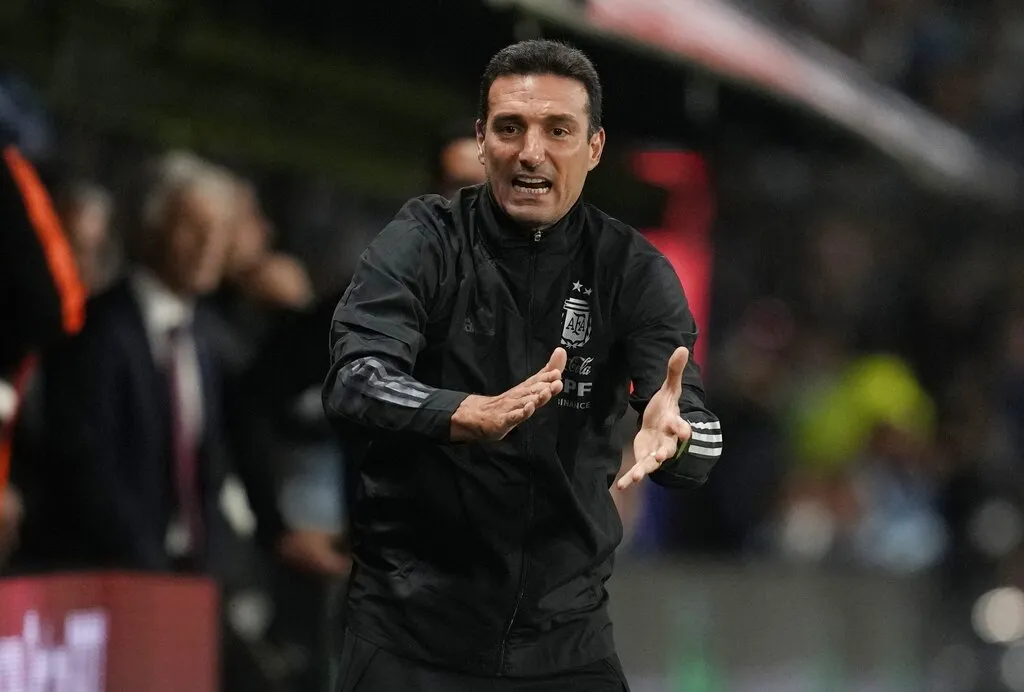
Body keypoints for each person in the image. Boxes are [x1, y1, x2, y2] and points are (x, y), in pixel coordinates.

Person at [323, 40, 723, 690]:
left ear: (593, 148)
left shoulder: (632, 270)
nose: (531, 151)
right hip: (411, 636)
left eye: (558, 130)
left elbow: (695, 432)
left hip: (565, 641)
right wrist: (460, 413)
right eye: (510, 128)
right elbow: (353, 381)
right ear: (483, 142)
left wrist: (677, 438)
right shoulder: (421, 242)